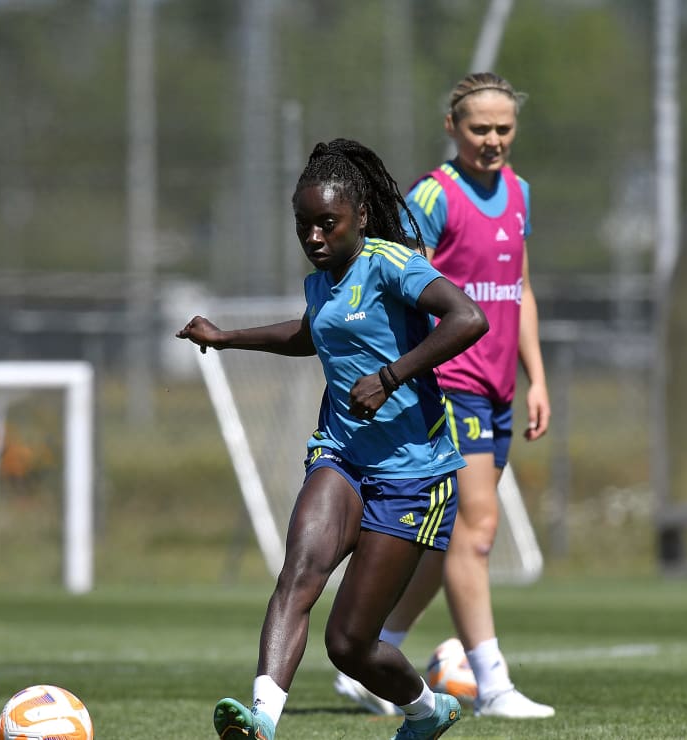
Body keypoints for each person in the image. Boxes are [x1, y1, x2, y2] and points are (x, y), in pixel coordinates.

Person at [178, 138, 489, 740]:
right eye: (304, 225)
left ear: (361, 216)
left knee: (349, 645)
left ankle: (428, 710)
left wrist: (392, 375)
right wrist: (226, 338)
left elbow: (468, 318)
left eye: (327, 222)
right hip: (342, 454)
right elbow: (313, 335)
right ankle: (261, 720)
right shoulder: (320, 282)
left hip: (412, 474)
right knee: (300, 567)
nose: (314, 236)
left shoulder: (390, 264)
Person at [332, 72, 555, 720]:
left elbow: (520, 291)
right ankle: (492, 684)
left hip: (500, 387)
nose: (492, 140)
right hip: (450, 387)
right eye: (479, 128)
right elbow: (401, 284)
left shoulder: (518, 194)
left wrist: (536, 376)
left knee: (449, 536)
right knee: (478, 531)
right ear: (453, 128)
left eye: (503, 129)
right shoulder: (432, 197)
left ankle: (373, 659)